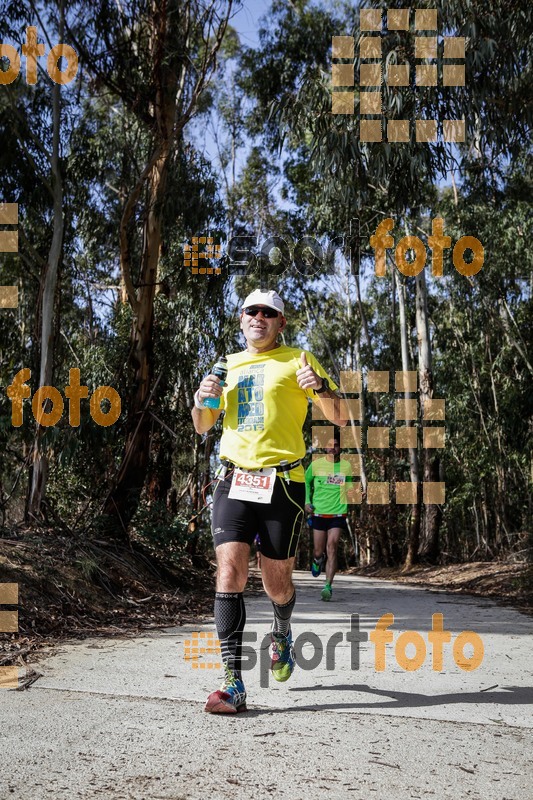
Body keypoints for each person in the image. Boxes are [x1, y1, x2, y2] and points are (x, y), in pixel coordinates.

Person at [192, 288, 346, 713]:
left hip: (283, 484)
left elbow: (341, 416)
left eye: (268, 311)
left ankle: (281, 629)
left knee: (276, 583)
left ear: (281, 321)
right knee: (229, 573)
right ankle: (233, 683)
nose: (259, 316)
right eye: (251, 310)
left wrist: (320, 388)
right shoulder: (227, 365)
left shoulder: (299, 359)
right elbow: (203, 425)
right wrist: (201, 399)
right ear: (241, 319)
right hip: (232, 480)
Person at [305, 433, 351, 601]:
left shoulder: (346, 466)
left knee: (332, 546)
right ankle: (317, 560)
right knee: (319, 551)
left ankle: (327, 586)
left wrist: (356, 491)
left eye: (336, 445)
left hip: (338, 513)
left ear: (340, 448)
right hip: (319, 513)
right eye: (330, 445)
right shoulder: (316, 465)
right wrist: (307, 502)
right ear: (325, 447)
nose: (333, 448)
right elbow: (305, 482)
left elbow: (350, 485)